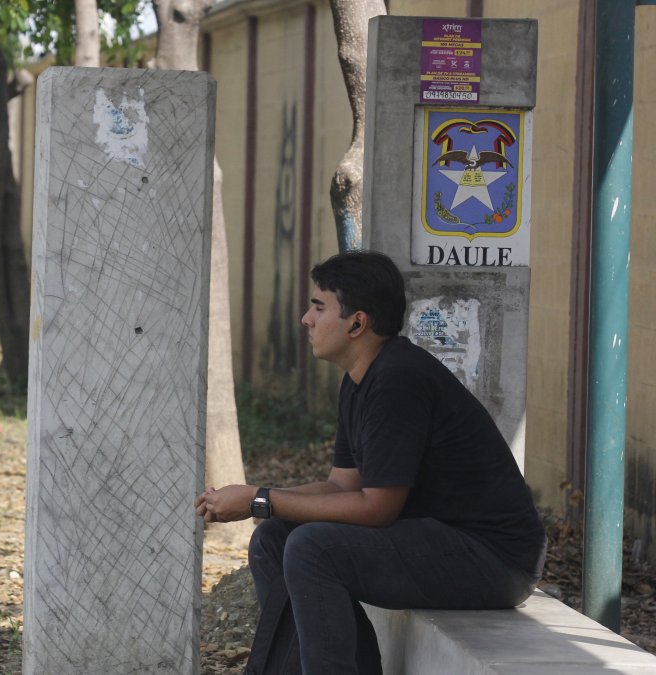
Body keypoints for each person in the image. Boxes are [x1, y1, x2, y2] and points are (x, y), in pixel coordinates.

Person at [195, 250, 546, 675]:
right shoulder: (362, 379)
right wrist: (256, 500)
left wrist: (260, 498)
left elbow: (377, 509)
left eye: (319, 307)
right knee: (275, 538)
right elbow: (343, 487)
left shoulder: (399, 380)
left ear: (357, 323)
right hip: (441, 542)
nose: (306, 318)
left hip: (494, 560)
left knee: (312, 547)